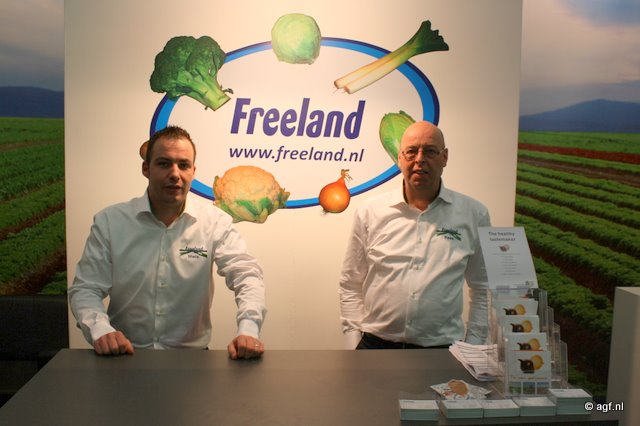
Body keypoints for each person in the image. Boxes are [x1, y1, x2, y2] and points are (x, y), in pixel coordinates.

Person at [69, 125, 266, 359]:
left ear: (193, 171)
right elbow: (86, 288)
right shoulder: (110, 221)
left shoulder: (215, 222)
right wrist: (101, 331)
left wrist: (248, 330)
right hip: (123, 358)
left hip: (193, 362)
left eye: (183, 165)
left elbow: (246, 275)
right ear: (146, 169)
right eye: (164, 164)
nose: (175, 174)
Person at [339, 121, 490, 349]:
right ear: (400, 158)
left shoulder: (474, 214)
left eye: (430, 151)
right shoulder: (370, 212)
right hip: (375, 346)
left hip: (443, 351)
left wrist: (473, 346)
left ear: (445, 157)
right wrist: (353, 343)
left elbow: (483, 287)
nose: (419, 159)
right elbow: (351, 282)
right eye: (411, 151)